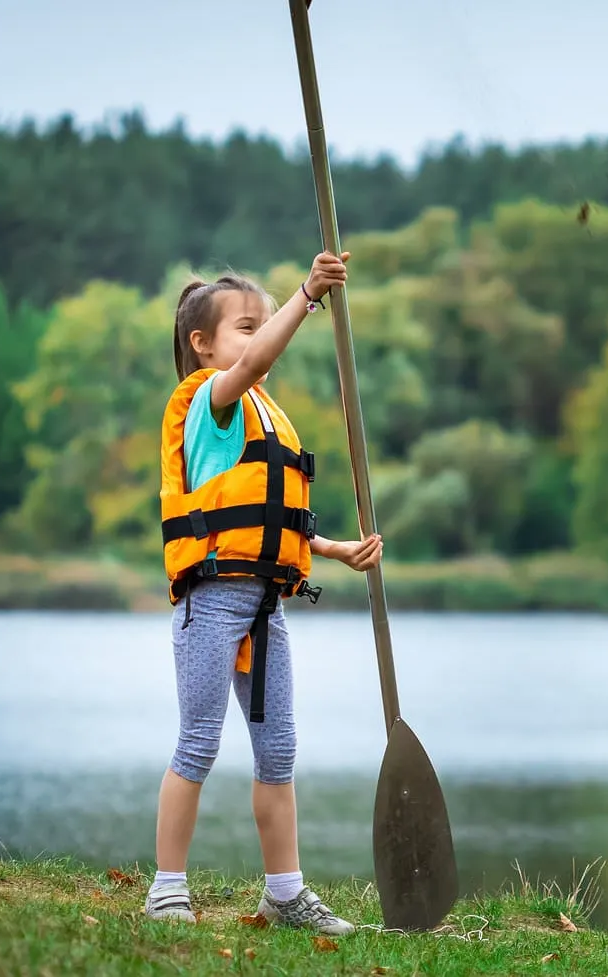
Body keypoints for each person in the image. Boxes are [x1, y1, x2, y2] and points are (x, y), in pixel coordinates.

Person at [145, 252, 382, 936]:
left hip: (265, 608)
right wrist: (306, 295)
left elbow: (269, 520)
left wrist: (335, 549)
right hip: (210, 604)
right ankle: (166, 889)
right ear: (203, 345)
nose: (258, 337)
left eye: (262, 323)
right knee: (197, 743)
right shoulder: (215, 401)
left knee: (278, 752)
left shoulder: (259, 410)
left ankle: (285, 892)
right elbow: (247, 368)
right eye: (245, 325)